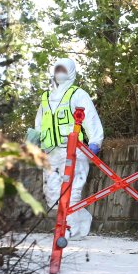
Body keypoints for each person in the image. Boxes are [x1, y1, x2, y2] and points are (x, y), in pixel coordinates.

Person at [26, 57, 104, 239]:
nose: (59, 72)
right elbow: (39, 123)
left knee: (73, 191)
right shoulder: (46, 97)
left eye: (63, 69)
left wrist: (95, 142)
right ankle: (81, 221)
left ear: (70, 71)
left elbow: (90, 118)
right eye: (57, 69)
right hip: (50, 150)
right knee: (52, 192)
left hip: (74, 149)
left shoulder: (78, 94)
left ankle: (69, 229)